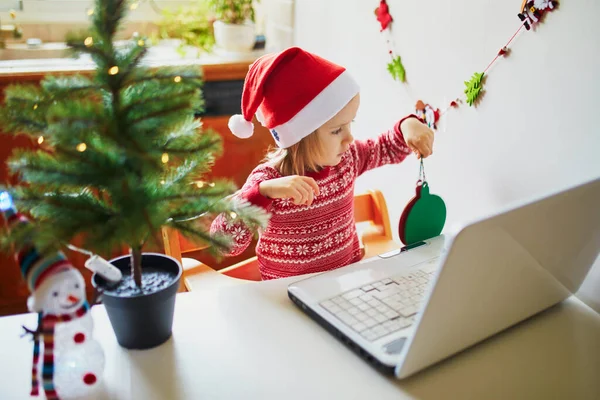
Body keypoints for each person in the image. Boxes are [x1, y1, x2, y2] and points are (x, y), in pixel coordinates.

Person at [211, 47, 434, 280]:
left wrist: (407, 126)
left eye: (350, 125)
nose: (349, 138)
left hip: (342, 287)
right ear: (300, 136)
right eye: (337, 130)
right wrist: (262, 194)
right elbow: (223, 244)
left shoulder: (348, 159)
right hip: (287, 297)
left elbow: (386, 147)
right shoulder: (267, 182)